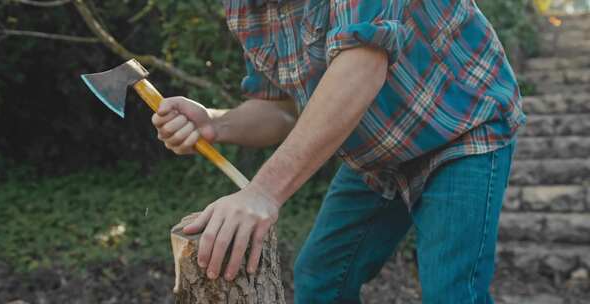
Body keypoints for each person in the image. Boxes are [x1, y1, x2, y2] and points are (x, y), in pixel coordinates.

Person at [152, 0, 525, 303]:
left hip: (460, 125)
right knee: (320, 281)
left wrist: (263, 192)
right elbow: (280, 109)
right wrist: (217, 124)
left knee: (452, 292)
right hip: (378, 155)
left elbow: (362, 66)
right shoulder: (244, 7)